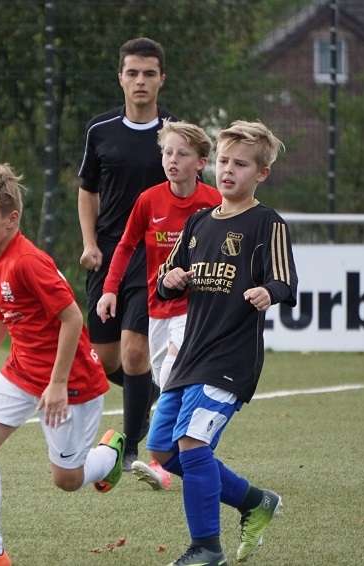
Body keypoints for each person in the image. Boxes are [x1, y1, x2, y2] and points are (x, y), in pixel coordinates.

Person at [0, 164, 126, 566]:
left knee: (67, 480)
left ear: (11, 219)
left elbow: (72, 319)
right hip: (22, 372)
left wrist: (57, 384)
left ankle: (110, 455)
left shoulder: (28, 261)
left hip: (72, 381)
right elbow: (0, 315)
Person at [148, 121, 298, 566]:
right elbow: (165, 280)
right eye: (224, 161)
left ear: (262, 173)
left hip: (231, 357)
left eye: (241, 164)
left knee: (193, 443)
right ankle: (254, 501)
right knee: (163, 450)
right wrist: (171, 279)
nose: (228, 170)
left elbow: (286, 281)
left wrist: (268, 291)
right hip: (189, 356)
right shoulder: (198, 222)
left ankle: (206, 548)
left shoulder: (267, 223)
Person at [95, 119, 221, 491]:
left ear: (200, 162)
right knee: (162, 379)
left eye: (182, 154)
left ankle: (159, 460)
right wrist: (110, 290)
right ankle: (188, 458)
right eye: (167, 152)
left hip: (197, 309)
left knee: (172, 377)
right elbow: (125, 246)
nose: (172, 160)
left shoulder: (214, 202)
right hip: (157, 305)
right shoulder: (149, 200)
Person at [78, 37, 176, 471]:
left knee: (136, 353)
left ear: (161, 79)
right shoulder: (99, 130)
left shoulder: (174, 134)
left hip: (154, 257)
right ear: (120, 77)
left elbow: (188, 196)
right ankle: (149, 394)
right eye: (132, 73)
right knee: (106, 360)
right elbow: (88, 191)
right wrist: (89, 243)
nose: (140, 81)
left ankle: (132, 446)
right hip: (108, 255)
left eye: (149, 73)